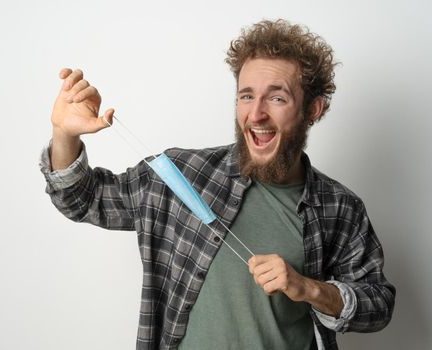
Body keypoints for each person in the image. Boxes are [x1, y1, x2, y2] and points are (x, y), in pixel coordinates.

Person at [40, 19, 395, 350]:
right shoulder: (181, 174)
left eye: (277, 97)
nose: (256, 113)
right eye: (246, 95)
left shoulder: (339, 207)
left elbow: (378, 304)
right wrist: (64, 136)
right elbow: (83, 201)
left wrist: (308, 288)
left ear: (313, 109)